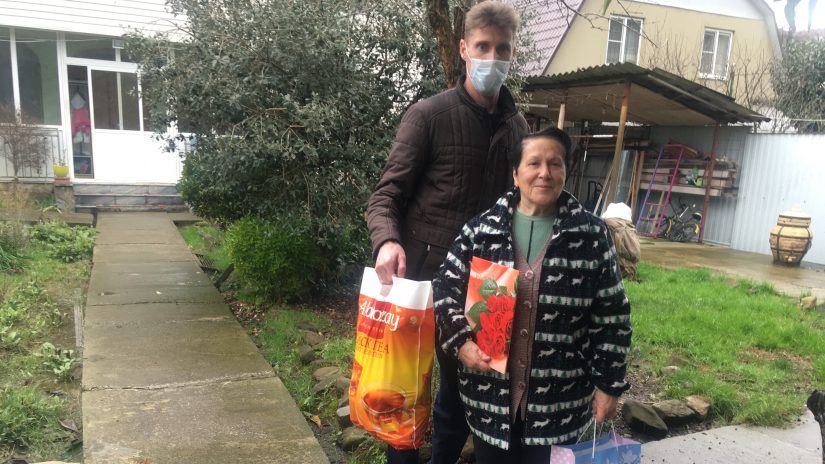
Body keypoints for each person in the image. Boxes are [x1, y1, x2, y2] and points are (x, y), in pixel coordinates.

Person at [365, 2, 529, 462]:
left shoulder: (519, 130)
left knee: (464, 394)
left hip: (489, 287)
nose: (492, 57)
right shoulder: (429, 116)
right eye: (483, 46)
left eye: (502, 49)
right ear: (463, 49)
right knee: (403, 392)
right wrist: (387, 240)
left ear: (512, 53)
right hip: (422, 278)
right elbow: (385, 195)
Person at [432, 127, 632, 463]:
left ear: (565, 172)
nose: (544, 173)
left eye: (555, 164)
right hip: (489, 401)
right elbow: (444, 290)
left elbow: (612, 317)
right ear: (515, 174)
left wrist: (609, 385)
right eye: (534, 163)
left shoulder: (591, 236)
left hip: (560, 407)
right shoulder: (481, 231)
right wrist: (461, 343)